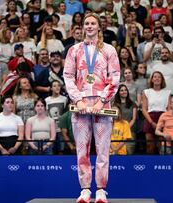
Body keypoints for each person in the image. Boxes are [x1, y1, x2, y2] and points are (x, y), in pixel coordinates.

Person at [63, 12, 120, 203]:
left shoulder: (109, 50)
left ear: (98, 27)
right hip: (80, 105)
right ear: (82, 27)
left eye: (92, 23)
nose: (89, 26)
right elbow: (68, 76)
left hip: (101, 104)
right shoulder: (74, 50)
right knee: (82, 149)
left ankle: (102, 190)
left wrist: (101, 101)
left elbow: (115, 77)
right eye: (86, 23)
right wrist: (77, 100)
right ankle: (85, 189)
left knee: (103, 150)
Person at [142, 71, 171, 154]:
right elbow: (144, 109)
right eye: (155, 77)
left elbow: (169, 109)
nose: (157, 78)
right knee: (149, 144)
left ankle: (161, 163)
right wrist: (151, 122)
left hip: (163, 118)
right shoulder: (146, 92)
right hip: (150, 118)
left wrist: (163, 122)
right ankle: (150, 164)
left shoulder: (167, 92)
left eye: (159, 77)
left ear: (162, 80)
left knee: (162, 144)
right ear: (151, 79)